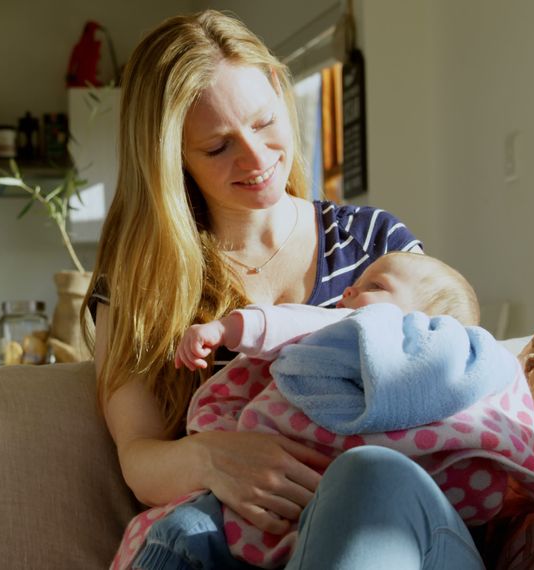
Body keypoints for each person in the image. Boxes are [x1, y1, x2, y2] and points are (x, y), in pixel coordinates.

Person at [84, 9, 480, 569]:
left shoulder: (376, 245)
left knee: (371, 473)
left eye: (265, 121)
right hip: (253, 543)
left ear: (278, 87)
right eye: (218, 147)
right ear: (173, 160)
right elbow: (138, 455)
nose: (257, 158)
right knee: (185, 531)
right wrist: (210, 460)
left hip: (401, 534)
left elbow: (456, 385)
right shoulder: (137, 287)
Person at [113, 251, 534, 568]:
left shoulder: (371, 328)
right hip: (276, 513)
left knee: (187, 530)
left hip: (354, 522)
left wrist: (225, 329)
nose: (349, 291)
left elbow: (283, 322)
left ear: (427, 323)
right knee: (188, 525)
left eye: (374, 285)